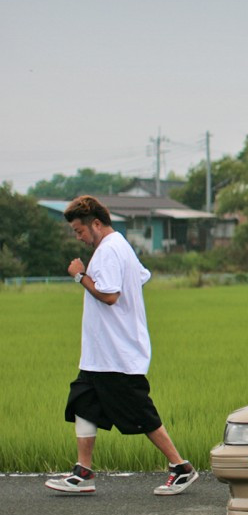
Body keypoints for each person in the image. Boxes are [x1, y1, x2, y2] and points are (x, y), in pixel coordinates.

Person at [44, 195, 198, 496]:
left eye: (79, 231)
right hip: (99, 354)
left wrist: (80, 276)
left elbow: (110, 295)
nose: (79, 237)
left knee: (140, 413)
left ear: (96, 224)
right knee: (83, 402)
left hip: (118, 353)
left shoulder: (109, 250)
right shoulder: (119, 246)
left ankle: (181, 467)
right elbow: (141, 276)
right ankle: (83, 472)